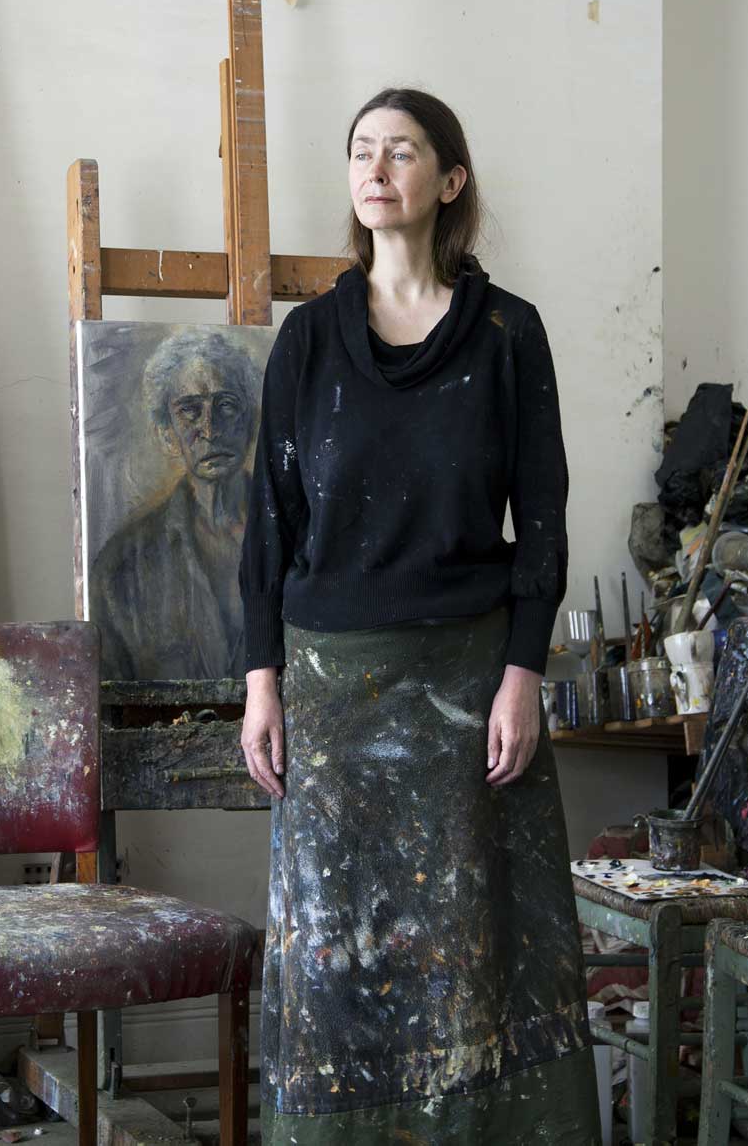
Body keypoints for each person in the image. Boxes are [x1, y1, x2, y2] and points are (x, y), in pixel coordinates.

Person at [238, 88, 596, 1141]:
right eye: (360, 150)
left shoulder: (506, 335)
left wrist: (523, 675)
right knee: (336, 954)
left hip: (469, 683)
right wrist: (260, 682)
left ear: (449, 181)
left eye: (401, 150)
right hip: (330, 692)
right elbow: (268, 524)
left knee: (480, 946)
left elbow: (541, 521)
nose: (376, 166)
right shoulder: (305, 341)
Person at [91, 327, 262, 680]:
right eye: (190, 411)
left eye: (227, 406)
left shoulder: (299, 539)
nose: (211, 430)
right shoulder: (122, 566)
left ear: (252, 420)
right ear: (167, 434)